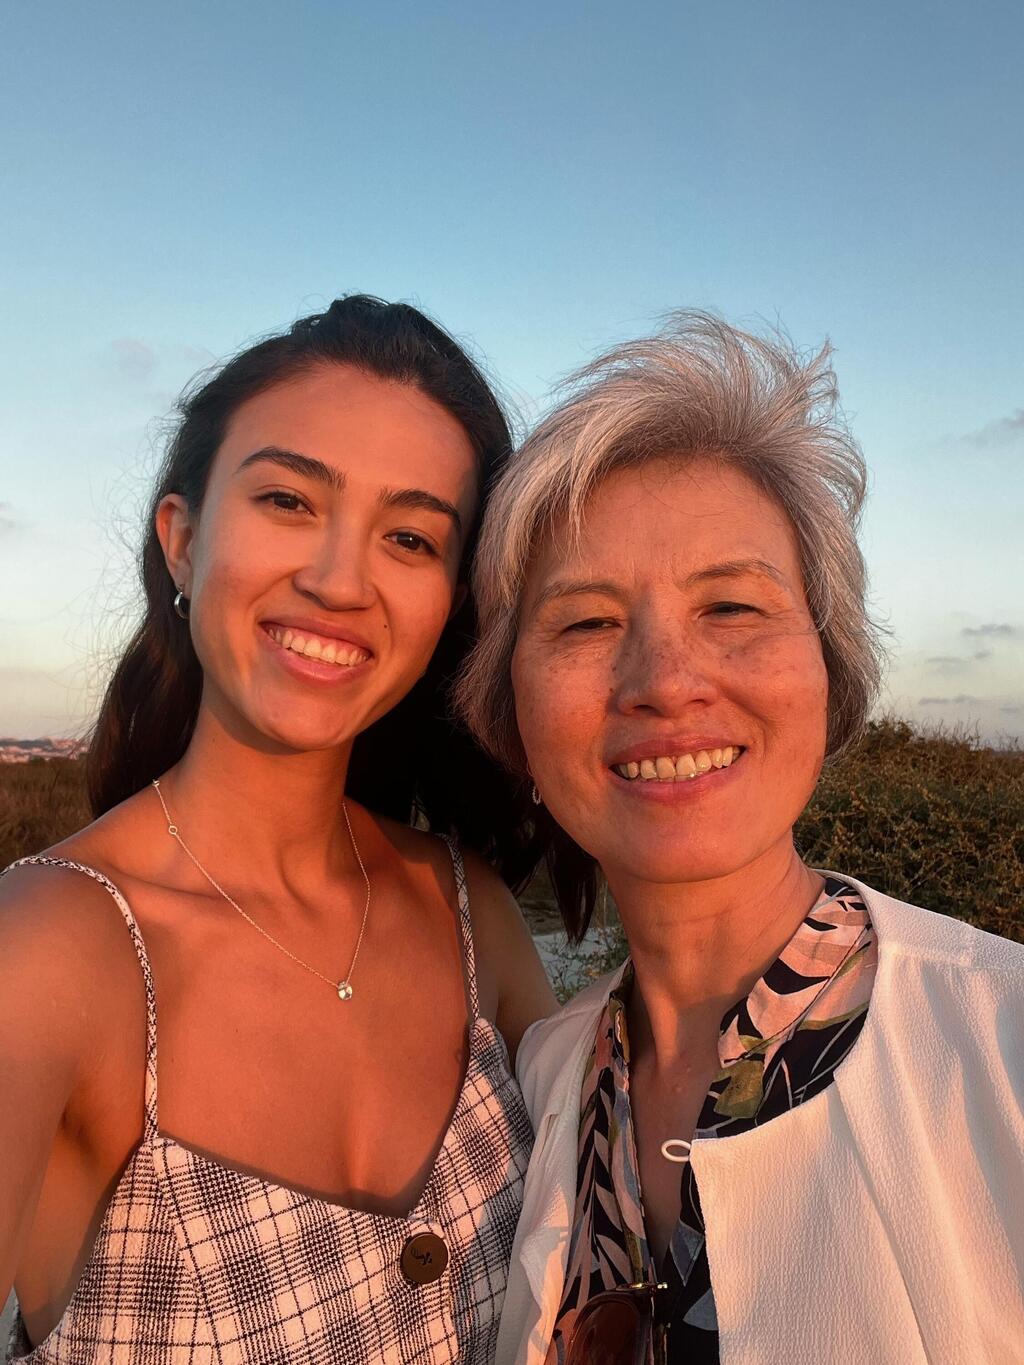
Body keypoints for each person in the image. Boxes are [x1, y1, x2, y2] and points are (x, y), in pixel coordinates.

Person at [456, 313, 1024, 1364]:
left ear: (829, 669)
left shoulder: (1000, 1045)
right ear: (509, 713)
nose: (666, 679)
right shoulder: (545, 1078)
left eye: (732, 607)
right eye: (583, 623)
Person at [0, 295, 555, 1364]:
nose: (339, 580)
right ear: (183, 538)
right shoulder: (51, 951)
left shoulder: (464, 903)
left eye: (409, 536)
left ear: (452, 599)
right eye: (290, 500)